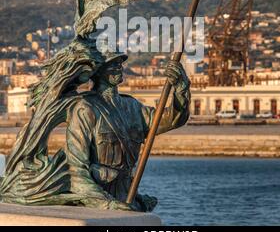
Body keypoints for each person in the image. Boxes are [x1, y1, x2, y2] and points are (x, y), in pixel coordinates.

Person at [65, 52, 191, 212]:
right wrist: (106, 204)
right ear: (97, 71)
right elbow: (75, 169)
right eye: (113, 64)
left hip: (127, 195)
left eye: (120, 63)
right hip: (99, 198)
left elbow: (172, 119)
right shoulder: (85, 109)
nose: (119, 67)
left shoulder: (132, 106)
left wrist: (181, 89)